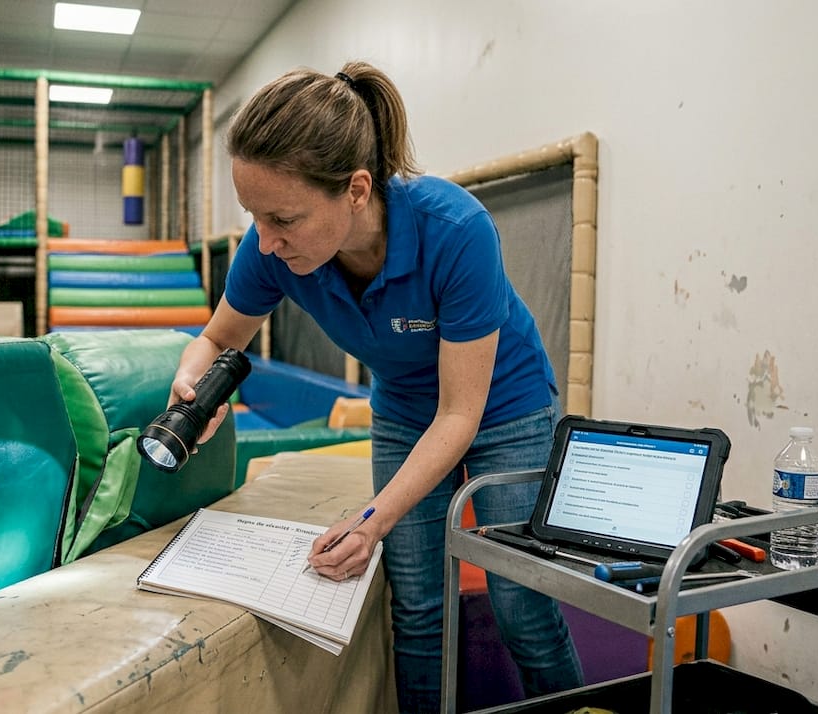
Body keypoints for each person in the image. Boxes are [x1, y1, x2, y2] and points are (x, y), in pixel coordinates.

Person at [169, 60, 584, 713]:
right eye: (254, 216)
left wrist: (371, 520)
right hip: (403, 405)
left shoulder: (456, 231)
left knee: (519, 604)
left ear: (356, 190)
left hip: (504, 406)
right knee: (416, 605)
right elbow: (219, 337)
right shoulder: (271, 246)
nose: (266, 240)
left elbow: (459, 415)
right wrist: (196, 377)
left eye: (283, 218)